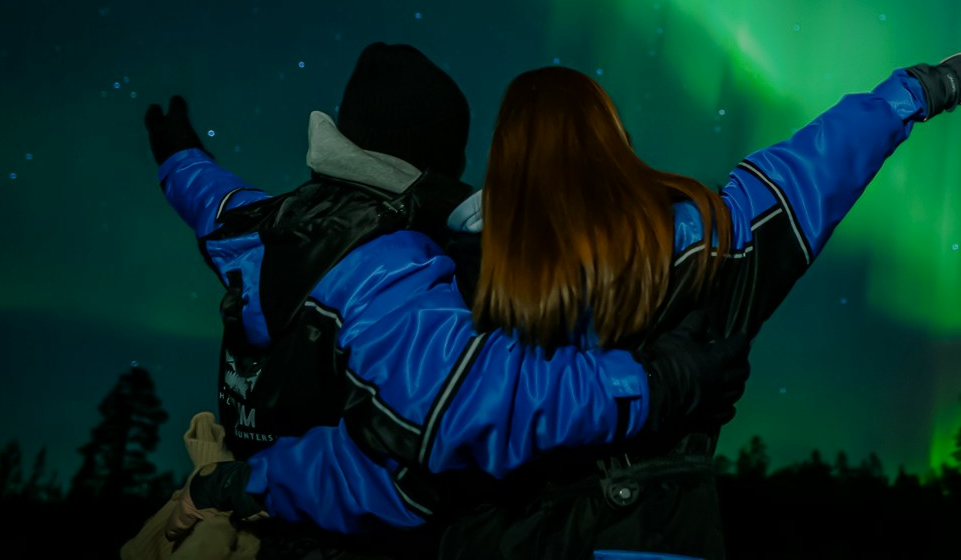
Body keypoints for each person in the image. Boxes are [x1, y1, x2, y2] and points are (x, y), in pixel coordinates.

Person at [141, 42, 752, 555]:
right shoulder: (394, 269)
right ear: (438, 160)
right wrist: (659, 383)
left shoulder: (261, 223)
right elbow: (481, 404)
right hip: (330, 536)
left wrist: (178, 158)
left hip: (253, 507)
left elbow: (210, 200)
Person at [434, 39, 961, 559]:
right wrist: (936, 83)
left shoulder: (439, 282)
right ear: (612, 139)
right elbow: (814, 168)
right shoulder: (706, 240)